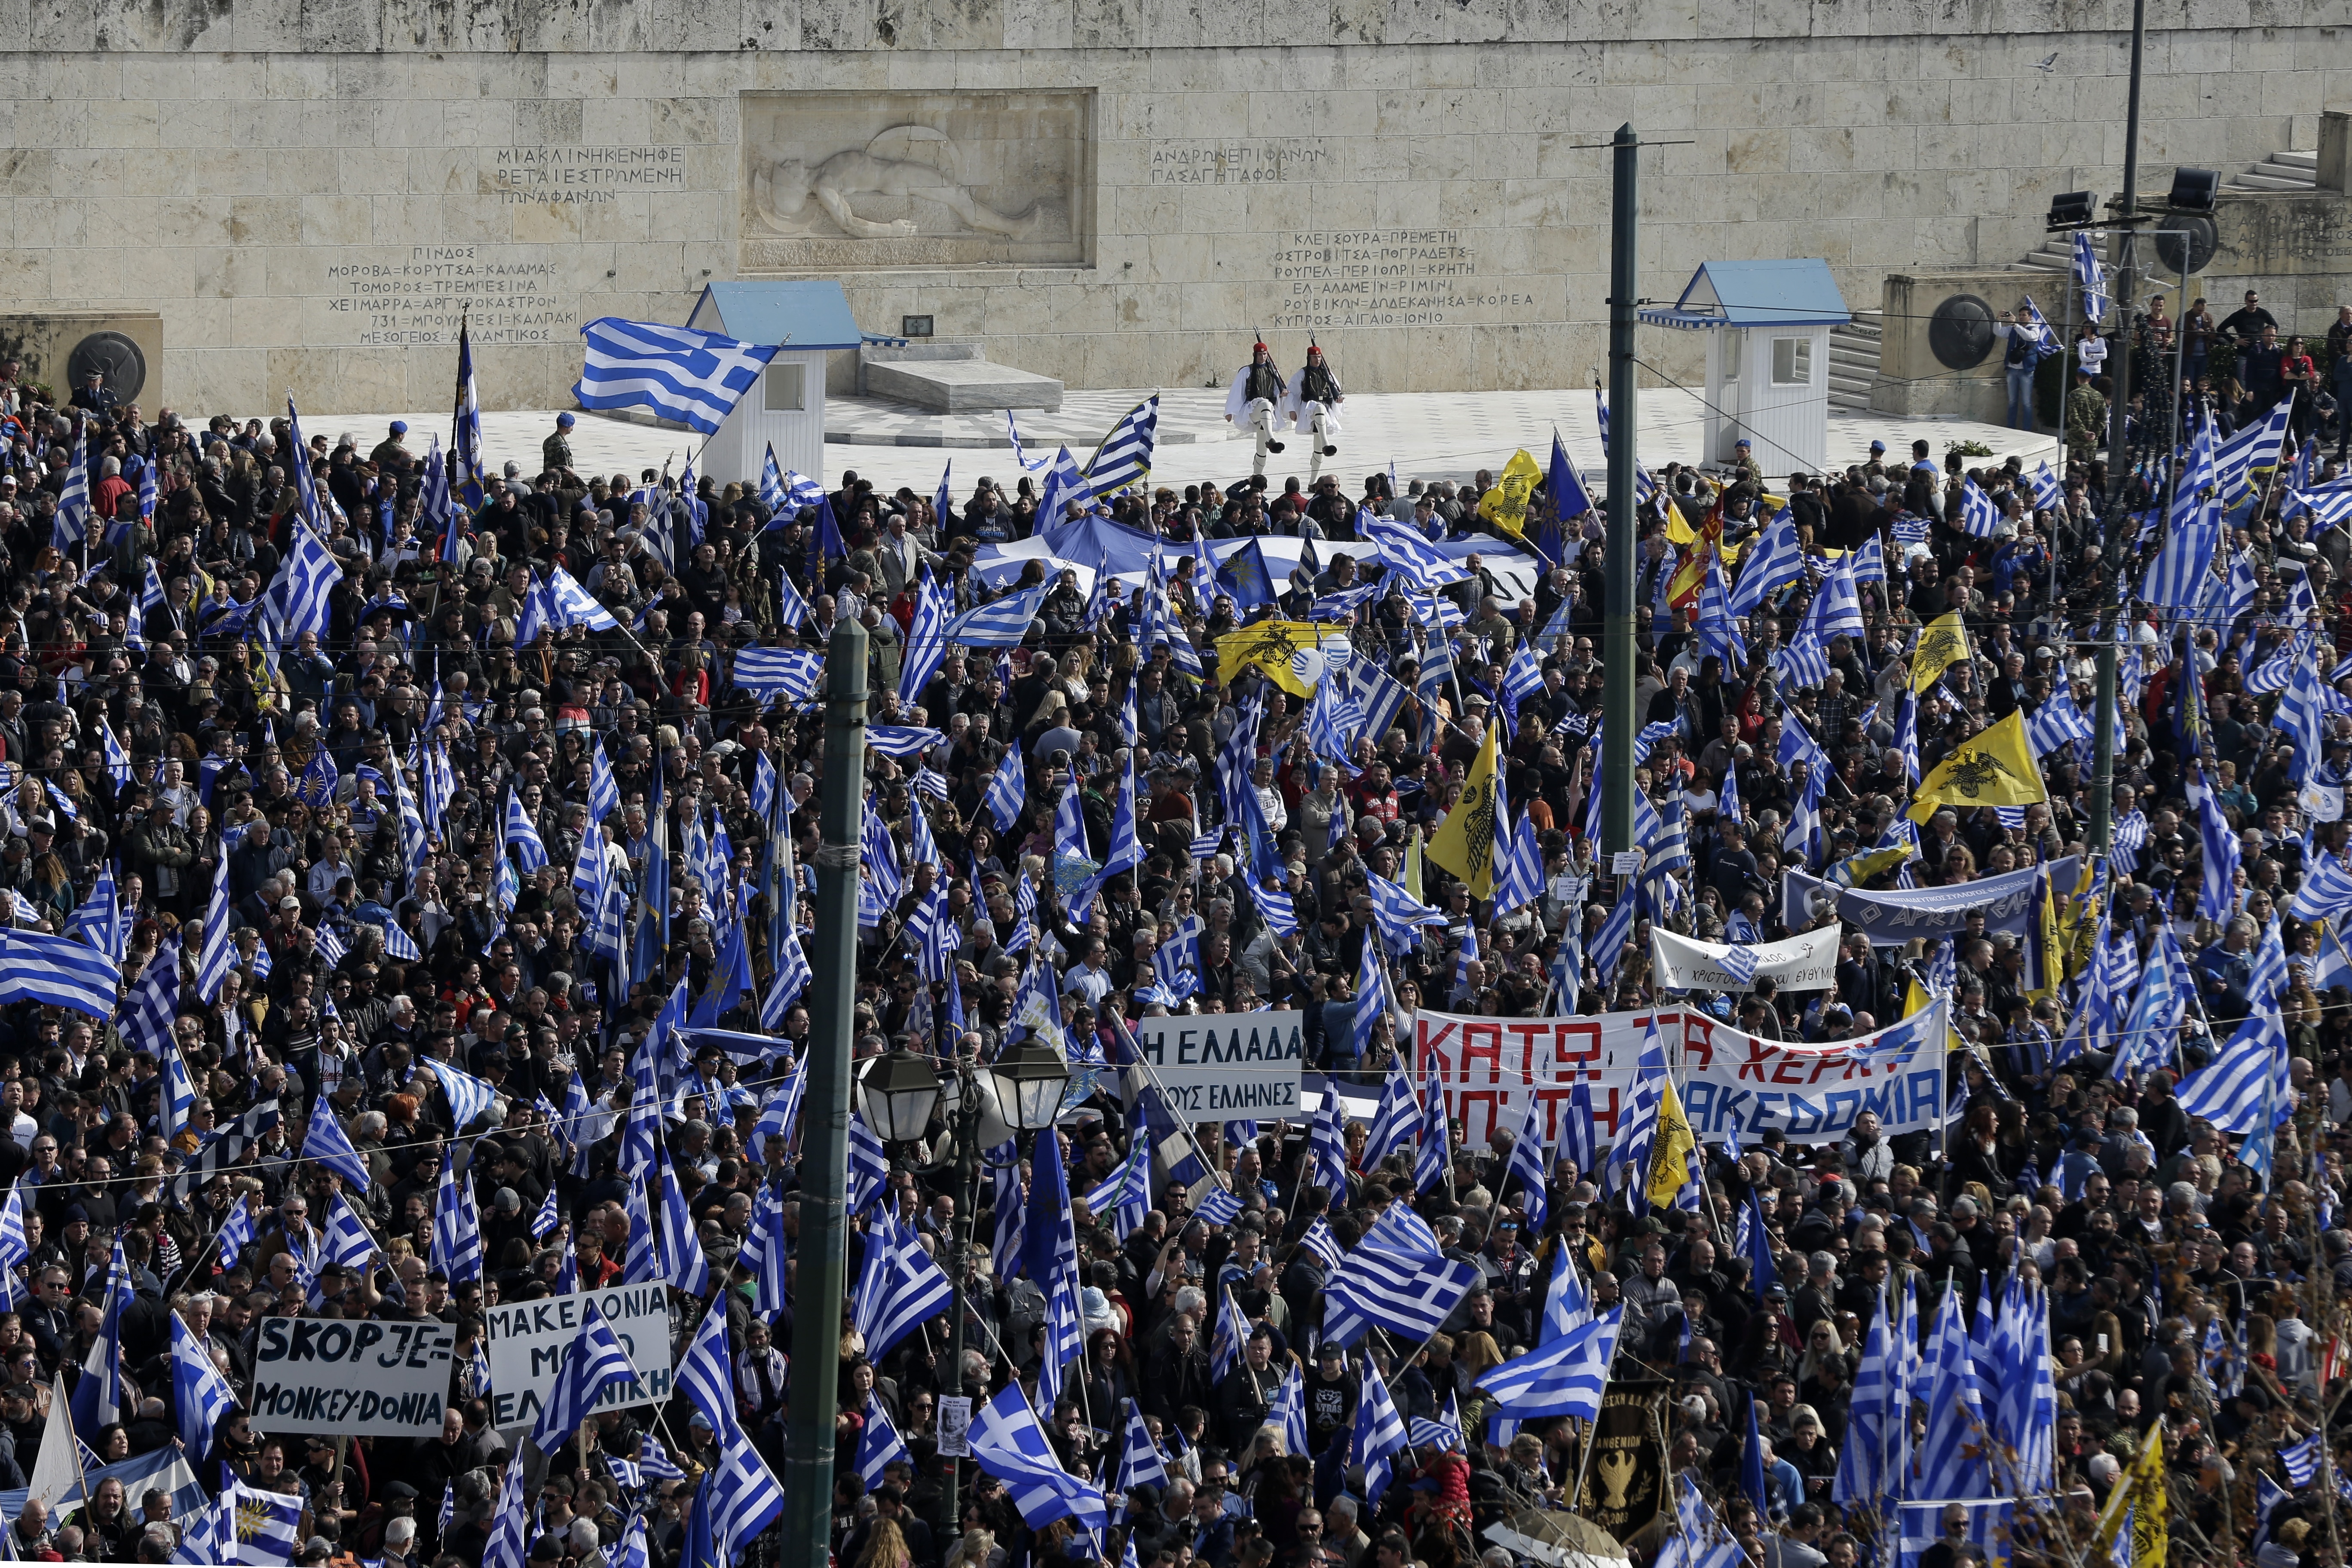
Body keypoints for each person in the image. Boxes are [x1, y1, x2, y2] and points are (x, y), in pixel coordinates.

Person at [1283, 340, 1344, 488]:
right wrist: (1292, 410)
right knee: (1319, 409)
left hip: (1324, 412)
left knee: (1317, 451)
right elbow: (1292, 391)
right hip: (1309, 410)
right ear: (1309, 358)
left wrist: (1339, 398)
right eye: (1314, 358)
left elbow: (1336, 389)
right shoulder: (1302, 374)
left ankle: (1312, 483)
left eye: (1319, 357)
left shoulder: (1327, 374)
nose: (1317, 360)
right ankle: (1326, 444)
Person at [1226, 340, 1290, 477]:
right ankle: (1272, 439)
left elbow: (1276, 392)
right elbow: (1237, 391)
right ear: (1254, 355)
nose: (1263, 357)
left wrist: (1282, 393)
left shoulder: (1272, 372)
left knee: (1262, 450)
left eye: (1265, 354)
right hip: (1251, 411)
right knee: (1264, 404)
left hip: (1266, 416)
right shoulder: (1246, 371)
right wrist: (1230, 411)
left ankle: (1256, 478)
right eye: (1260, 355)